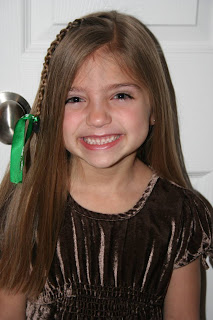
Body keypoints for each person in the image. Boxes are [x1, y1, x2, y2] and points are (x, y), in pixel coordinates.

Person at [0, 10, 212, 320]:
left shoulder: (180, 216)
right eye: (74, 99)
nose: (97, 117)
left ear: (154, 109)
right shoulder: (25, 206)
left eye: (121, 95)